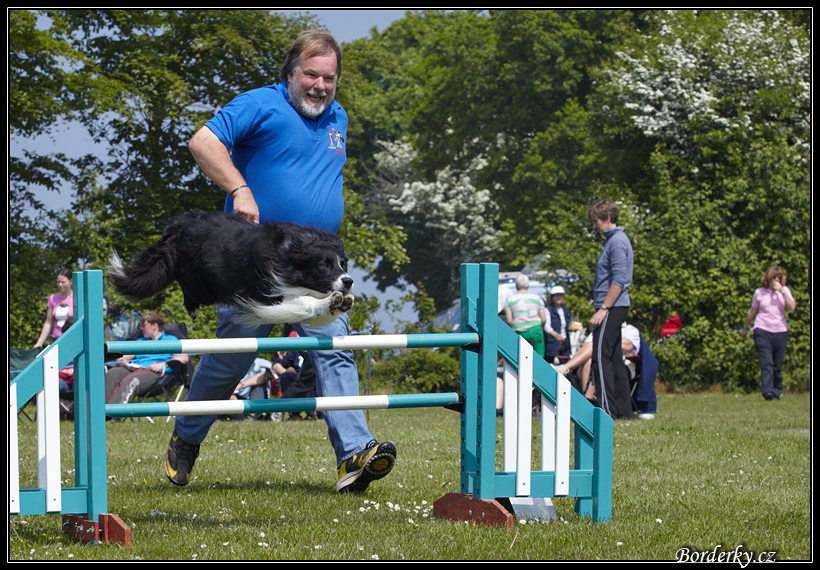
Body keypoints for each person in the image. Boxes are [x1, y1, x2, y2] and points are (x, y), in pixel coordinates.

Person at [166, 30, 396, 494]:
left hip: (320, 267)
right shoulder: (260, 104)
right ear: (291, 73)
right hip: (258, 260)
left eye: (328, 77)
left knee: (334, 346)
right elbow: (203, 143)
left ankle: (354, 454)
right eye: (310, 74)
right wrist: (239, 189)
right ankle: (186, 438)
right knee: (232, 359)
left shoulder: (339, 118)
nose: (319, 85)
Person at [588, 199, 634, 419]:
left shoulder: (616, 242)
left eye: (596, 221)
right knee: (615, 359)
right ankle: (624, 411)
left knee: (599, 357)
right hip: (615, 305)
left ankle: (607, 411)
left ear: (607, 218)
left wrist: (604, 308)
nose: (595, 226)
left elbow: (619, 280)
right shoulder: (612, 241)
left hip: (612, 306)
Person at [105, 312, 189, 406]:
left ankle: (113, 415)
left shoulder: (170, 340)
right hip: (134, 368)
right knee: (113, 374)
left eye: (144, 325)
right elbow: (125, 357)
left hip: (155, 372)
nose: (141, 328)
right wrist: (121, 361)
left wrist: (164, 364)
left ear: (154, 326)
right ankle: (101, 412)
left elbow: (184, 358)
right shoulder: (141, 341)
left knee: (132, 380)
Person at [741, 265, 795, 401]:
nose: (776, 279)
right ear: (768, 278)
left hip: (780, 330)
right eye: (774, 277)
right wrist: (745, 328)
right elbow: (752, 311)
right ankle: (768, 392)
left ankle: (776, 391)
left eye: (779, 277)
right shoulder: (759, 292)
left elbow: (792, 307)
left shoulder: (785, 291)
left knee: (777, 364)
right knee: (767, 363)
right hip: (762, 329)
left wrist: (782, 291)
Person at [33, 268, 75, 394]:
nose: (60, 285)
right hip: (56, 342)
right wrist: (39, 343)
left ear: (71, 281)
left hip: (72, 343)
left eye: (63, 282)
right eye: (58, 282)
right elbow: (48, 322)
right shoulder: (53, 298)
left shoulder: (76, 298)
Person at [504, 274, 547, 358]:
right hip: (536, 330)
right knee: (539, 358)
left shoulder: (509, 299)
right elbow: (544, 319)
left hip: (519, 331)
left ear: (516, 286)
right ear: (528, 285)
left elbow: (509, 320)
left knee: (520, 357)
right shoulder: (537, 298)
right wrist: (539, 328)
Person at [544, 286, 572, 365]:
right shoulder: (548, 309)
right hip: (552, 344)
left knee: (566, 365)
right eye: (556, 295)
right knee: (549, 365)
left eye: (560, 295)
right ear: (552, 297)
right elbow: (547, 326)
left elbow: (565, 324)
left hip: (564, 343)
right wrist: (556, 335)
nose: (558, 297)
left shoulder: (565, 309)